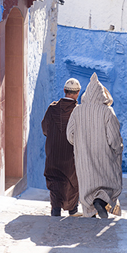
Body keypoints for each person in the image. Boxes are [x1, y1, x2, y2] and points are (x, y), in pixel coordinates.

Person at [66, 73, 123, 219]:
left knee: (87, 182)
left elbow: (70, 134)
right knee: (107, 181)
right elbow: (114, 138)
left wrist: (80, 144)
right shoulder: (107, 112)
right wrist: (117, 149)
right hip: (104, 154)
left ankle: (91, 210)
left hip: (84, 156)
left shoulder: (77, 110)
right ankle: (101, 200)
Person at [42, 78, 81, 217]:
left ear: (64, 91)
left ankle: (56, 209)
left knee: (55, 180)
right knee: (73, 180)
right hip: (71, 154)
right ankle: (73, 210)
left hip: (54, 152)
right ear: (78, 93)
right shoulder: (78, 111)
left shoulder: (52, 108)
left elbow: (44, 128)